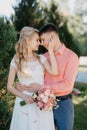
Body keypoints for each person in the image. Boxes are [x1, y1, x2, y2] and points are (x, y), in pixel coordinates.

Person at [16, 23, 79, 130]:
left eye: (43, 39)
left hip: (63, 105)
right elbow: (34, 77)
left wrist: (42, 88)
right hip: (43, 104)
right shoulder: (43, 57)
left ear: (52, 37)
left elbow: (67, 85)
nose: (41, 43)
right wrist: (23, 85)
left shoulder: (71, 57)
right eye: (39, 40)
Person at [7, 26, 59, 130]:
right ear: (27, 41)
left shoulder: (41, 58)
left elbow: (54, 71)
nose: (39, 43)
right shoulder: (16, 60)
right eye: (36, 40)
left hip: (41, 102)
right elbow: (9, 86)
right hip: (24, 102)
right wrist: (24, 96)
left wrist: (50, 50)